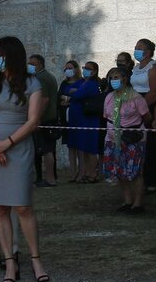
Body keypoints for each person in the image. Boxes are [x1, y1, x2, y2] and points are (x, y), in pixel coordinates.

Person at [0, 36, 47, 282]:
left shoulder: (32, 83)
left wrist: (8, 143)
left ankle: (36, 259)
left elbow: (33, 120)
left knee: (23, 206)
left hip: (19, 148)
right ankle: (8, 262)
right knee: (0, 207)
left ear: (11, 55)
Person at [102, 67, 152, 215]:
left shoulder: (136, 97)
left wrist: (131, 129)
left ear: (124, 79)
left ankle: (138, 204)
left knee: (135, 171)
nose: (113, 80)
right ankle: (127, 200)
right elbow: (107, 116)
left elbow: (147, 117)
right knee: (119, 170)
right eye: (112, 77)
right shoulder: (109, 97)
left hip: (133, 139)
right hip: (112, 138)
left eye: (117, 77)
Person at [132, 39, 156, 191]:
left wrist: (142, 109)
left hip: (148, 106)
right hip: (135, 103)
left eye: (140, 48)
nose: (137, 50)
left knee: (152, 144)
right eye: (136, 47)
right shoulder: (137, 67)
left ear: (148, 51)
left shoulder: (154, 68)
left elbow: (154, 91)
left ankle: (154, 180)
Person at [64, 61, 104, 182]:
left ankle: (92, 174)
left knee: (90, 148)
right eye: (84, 68)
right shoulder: (82, 82)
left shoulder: (91, 84)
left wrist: (72, 93)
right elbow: (68, 90)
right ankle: (85, 172)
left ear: (95, 71)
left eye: (89, 68)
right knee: (83, 147)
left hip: (88, 119)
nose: (86, 70)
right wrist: (72, 92)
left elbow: (77, 95)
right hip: (78, 119)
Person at [28, 54, 58, 187]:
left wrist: (37, 118)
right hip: (50, 117)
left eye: (33, 63)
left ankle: (50, 179)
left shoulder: (40, 78)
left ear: (40, 64)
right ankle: (50, 177)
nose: (30, 66)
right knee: (48, 149)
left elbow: (44, 100)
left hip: (45, 119)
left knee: (46, 150)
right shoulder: (49, 76)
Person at [57, 60, 82, 181]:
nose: (68, 70)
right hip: (65, 119)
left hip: (78, 118)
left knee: (80, 147)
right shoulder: (64, 83)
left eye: (70, 67)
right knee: (70, 146)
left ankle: (82, 172)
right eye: (66, 68)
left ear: (76, 69)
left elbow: (80, 98)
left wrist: (68, 99)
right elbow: (59, 99)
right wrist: (68, 98)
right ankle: (73, 172)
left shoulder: (81, 83)